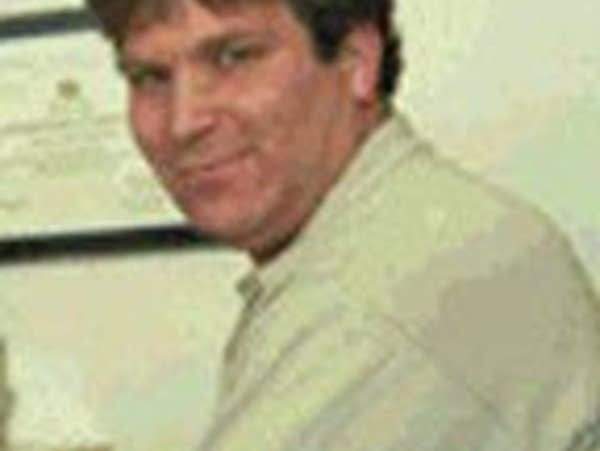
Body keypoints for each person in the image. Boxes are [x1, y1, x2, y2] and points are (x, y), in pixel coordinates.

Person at [86, 0, 600, 449]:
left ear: (357, 61)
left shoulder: (369, 295)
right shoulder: (408, 222)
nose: (184, 122)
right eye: (149, 78)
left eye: (234, 57)